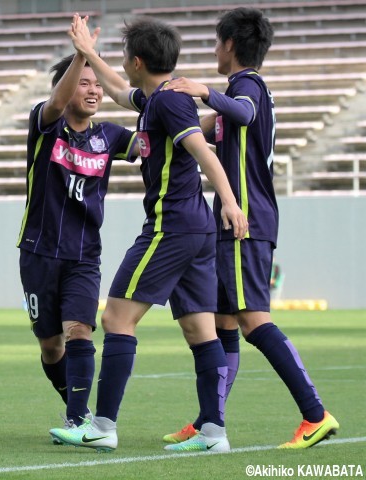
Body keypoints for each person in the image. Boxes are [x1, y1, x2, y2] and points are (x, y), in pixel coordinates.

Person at [49, 15, 248, 453]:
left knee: (116, 319)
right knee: (201, 330)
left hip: (170, 226)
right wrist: (88, 51)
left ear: (137, 60)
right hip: (195, 228)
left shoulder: (169, 102)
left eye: (124, 57)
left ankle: (101, 425)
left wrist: (231, 202)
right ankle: (214, 432)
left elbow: (202, 152)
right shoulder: (158, 97)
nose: (122, 65)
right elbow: (121, 92)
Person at [160, 7, 338, 449]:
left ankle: (315, 415)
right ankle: (208, 422)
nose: (215, 50)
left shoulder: (247, 85)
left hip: (245, 221)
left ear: (230, 45)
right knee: (223, 324)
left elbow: (242, 113)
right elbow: (209, 127)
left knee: (252, 319)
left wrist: (203, 91)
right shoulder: (242, 91)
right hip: (235, 221)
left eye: (217, 42)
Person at [17, 21, 139, 441]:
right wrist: (84, 53)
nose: (93, 90)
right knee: (51, 346)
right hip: (37, 253)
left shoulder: (109, 136)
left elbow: (147, 142)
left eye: (97, 85)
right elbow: (53, 102)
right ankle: (79, 409)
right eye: (84, 82)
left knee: (79, 331)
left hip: (84, 255)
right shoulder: (45, 126)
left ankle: (78, 422)